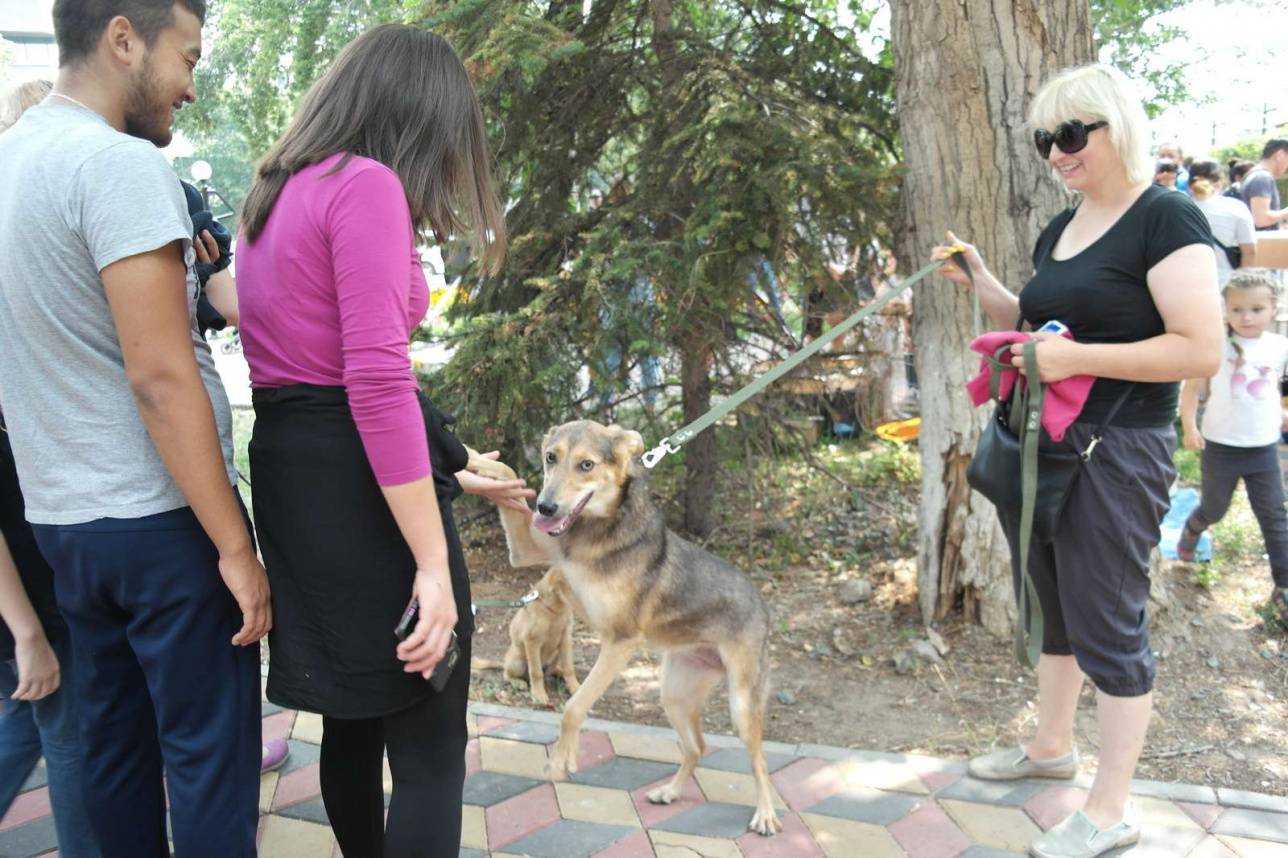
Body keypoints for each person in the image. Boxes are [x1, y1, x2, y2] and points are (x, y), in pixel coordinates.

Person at [234, 24, 531, 857]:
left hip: (297, 479)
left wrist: (457, 460)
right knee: (432, 751)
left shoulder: (273, 189)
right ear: (414, 115)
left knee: (354, 721)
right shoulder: (362, 185)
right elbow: (371, 381)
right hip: (361, 490)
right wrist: (434, 566)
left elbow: (321, 371)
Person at [0, 2, 270, 856]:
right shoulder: (115, 165)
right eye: (187, 59)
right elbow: (160, 376)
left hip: (63, 526)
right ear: (124, 38)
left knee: (114, 755)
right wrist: (234, 546)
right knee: (208, 762)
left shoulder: (9, 161)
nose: (191, 87)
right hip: (162, 525)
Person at [935, 63, 1222, 858]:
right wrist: (985, 280)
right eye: (1043, 140)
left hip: (1115, 453)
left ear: (1116, 125)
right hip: (1042, 444)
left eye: (1069, 135)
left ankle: (1111, 807)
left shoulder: (1166, 218)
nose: (1056, 154)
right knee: (1054, 606)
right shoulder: (1062, 227)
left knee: (1108, 625)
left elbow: (1201, 348)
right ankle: (1050, 747)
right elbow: (1037, 319)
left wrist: (1076, 360)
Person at [1178, 270, 1288, 625]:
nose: (1247, 317)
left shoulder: (1279, 345)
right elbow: (1192, 388)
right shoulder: (1217, 346)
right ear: (1225, 309)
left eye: (1257, 308)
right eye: (1237, 309)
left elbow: (1280, 385)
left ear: (1273, 308)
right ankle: (1194, 527)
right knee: (1215, 508)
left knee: (1274, 516)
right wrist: (1190, 426)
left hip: (1263, 449)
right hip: (1222, 447)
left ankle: (1284, 586)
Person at [1188, 159, 1257, 283]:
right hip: (1227, 285)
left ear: (1190, 183)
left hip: (1190, 284)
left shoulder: (1179, 209)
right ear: (1220, 181)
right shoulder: (1236, 207)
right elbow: (1250, 252)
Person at [1240, 138, 1288, 231]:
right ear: (1280, 155)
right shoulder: (1262, 178)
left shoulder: (1254, 175)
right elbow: (1260, 219)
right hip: (1260, 244)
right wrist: (1285, 213)